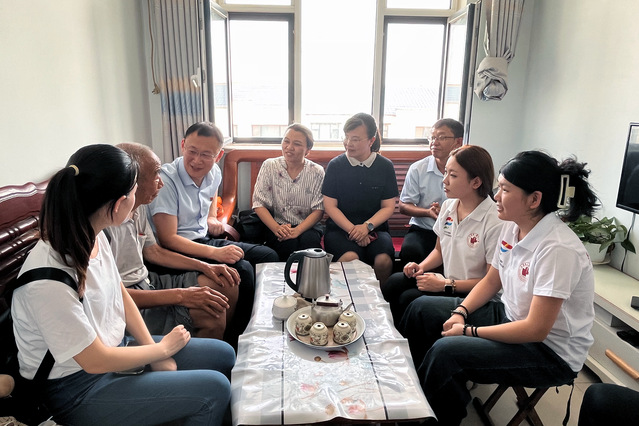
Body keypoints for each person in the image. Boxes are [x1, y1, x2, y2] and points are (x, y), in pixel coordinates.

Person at [11, 145, 235, 425]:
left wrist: (151, 350)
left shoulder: (93, 235)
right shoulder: (48, 281)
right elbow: (94, 360)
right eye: (134, 191)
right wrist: (161, 350)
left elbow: (119, 294)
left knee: (224, 355)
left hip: (117, 348)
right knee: (214, 389)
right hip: (76, 388)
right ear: (118, 204)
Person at [400, 150, 599, 425]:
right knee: (420, 308)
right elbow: (492, 280)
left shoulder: (558, 249)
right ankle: (414, 390)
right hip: (509, 316)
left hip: (549, 351)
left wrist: (468, 331)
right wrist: (460, 312)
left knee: (446, 353)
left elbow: (535, 329)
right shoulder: (512, 226)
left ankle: (435, 417)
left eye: (505, 189)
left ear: (534, 199)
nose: (495, 196)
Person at [106, 142, 240, 343]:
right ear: (133, 181)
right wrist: (182, 295)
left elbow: (154, 252)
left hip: (147, 280)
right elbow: (113, 296)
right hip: (129, 296)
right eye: (155, 176)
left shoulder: (137, 206)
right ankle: (209, 352)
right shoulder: (105, 228)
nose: (161, 183)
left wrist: (205, 266)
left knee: (226, 281)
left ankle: (225, 346)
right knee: (212, 313)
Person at [381, 145, 502, 325]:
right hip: (448, 282)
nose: (444, 180)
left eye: (453, 175)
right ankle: (391, 333)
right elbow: (439, 250)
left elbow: (490, 282)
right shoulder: (448, 206)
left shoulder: (494, 221)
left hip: (472, 293)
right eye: (445, 172)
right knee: (394, 283)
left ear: (476, 182)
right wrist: (420, 267)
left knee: (410, 299)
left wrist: (444, 285)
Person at [148, 121, 279, 269]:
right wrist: (214, 252)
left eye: (205, 154)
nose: (197, 160)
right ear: (183, 145)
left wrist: (211, 217)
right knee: (244, 269)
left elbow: (212, 192)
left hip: (204, 239)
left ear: (218, 156)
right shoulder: (166, 182)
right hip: (178, 250)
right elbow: (168, 239)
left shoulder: (214, 172)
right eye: (192, 151)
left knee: (269, 256)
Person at [322, 113, 398, 285]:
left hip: (375, 229)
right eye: (346, 137)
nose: (348, 143)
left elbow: (388, 207)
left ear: (371, 140)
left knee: (383, 261)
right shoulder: (336, 165)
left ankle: (381, 299)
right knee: (350, 259)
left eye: (355, 139)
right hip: (340, 229)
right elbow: (330, 206)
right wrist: (354, 231)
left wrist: (366, 227)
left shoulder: (385, 166)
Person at [252, 123, 325, 260]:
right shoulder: (270, 166)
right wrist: (276, 228)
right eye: (286, 141)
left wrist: (297, 230)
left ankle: (308, 274)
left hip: (307, 226)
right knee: (286, 244)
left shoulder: (317, 171)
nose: (289, 147)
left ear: (308, 149)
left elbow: (319, 210)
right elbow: (259, 204)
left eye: (297, 144)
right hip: (277, 224)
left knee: (309, 243)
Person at [398, 118, 463, 265]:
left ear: (458, 142)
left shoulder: (468, 170)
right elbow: (403, 206)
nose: (435, 142)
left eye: (441, 137)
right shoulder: (418, 168)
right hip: (424, 229)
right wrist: (428, 212)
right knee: (410, 251)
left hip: (458, 230)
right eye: (432, 138)